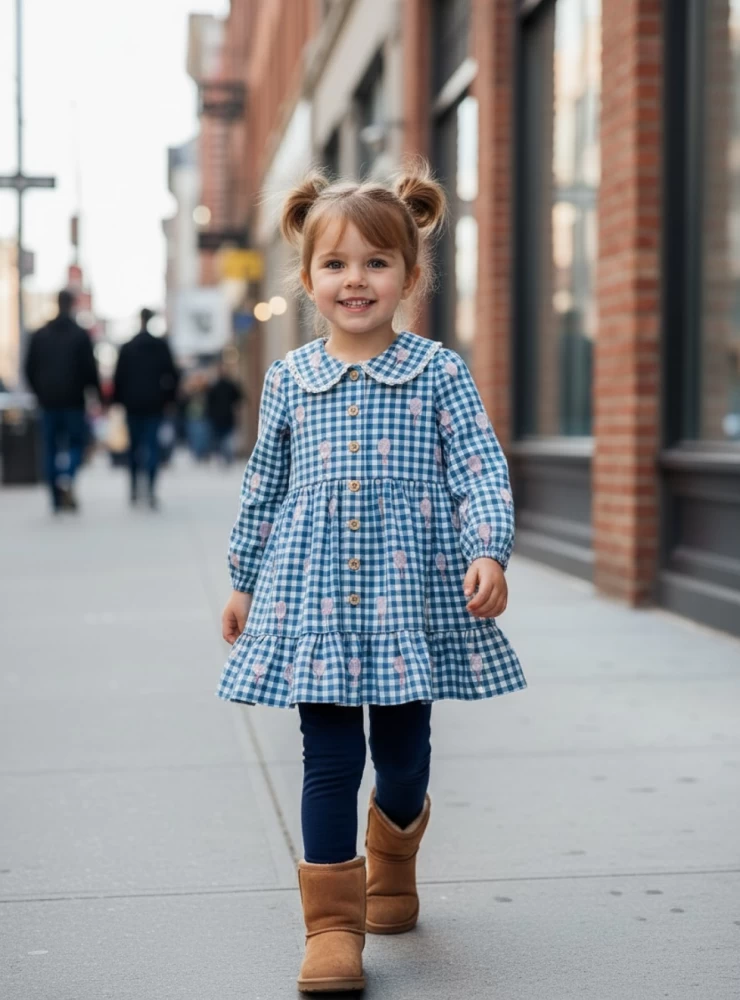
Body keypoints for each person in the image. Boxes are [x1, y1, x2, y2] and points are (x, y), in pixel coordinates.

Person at [218, 161, 526, 993]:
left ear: (410, 277)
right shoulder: (290, 380)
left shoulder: (437, 372)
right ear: (310, 278)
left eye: (377, 263)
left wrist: (487, 549)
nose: (356, 279)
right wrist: (243, 580)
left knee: (403, 752)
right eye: (337, 264)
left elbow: (479, 470)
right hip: (313, 597)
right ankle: (331, 926)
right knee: (328, 756)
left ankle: (393, 857)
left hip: (407, 598)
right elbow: (264, 488)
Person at [24, 289, 100, 512]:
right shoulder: (79, 335)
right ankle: (67, 477)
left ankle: (56, 496)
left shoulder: (41, 334)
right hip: (73, 401)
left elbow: (29, 369)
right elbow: (90, 370)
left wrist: (40, 392)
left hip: (48, 401)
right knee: (77, 444)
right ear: (72, 304)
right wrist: (95, 394)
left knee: (50, 447)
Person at [113, 308, 179, 508]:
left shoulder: (128, 347)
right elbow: (173, 376)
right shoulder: (160, 346)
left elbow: (118, 378)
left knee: (134, 447)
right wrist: (168, 399)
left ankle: (134, 486)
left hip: (133, 405)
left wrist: (119, 401)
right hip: (154, 404)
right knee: (151, 446)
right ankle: (149, 488)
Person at [206, 362, 243, 465]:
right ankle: (226, 457)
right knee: (226, 438)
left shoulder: (214, 386)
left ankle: (222, 456)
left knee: (221, 438)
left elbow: (209, 402)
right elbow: (239, 398)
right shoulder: (230, 385)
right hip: (226, 416)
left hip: (219, 417)